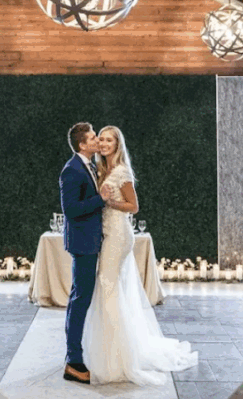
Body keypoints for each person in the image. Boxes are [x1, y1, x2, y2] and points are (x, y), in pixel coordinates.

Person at [82, 125, 198, 385]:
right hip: (106, 234)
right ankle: (111, 349)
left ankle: (120, 358)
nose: (104, 143)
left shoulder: (122, 172)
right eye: (101, 139)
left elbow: (134, 206)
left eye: (109, 140)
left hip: (119, 235)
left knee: (107, 283)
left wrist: (109, 203)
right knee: (110, 287)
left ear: (117, 144)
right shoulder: (101, 170)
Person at [59, 121, 111, 385]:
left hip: (89, 241)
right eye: (93, 138)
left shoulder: (88, 166)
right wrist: (100, 198)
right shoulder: (72, 170)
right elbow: (70, 210)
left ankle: (73, 355)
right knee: (81, 300)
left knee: (78, 298)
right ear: (82, 144)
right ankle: (74, 362)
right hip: (83, 243)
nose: (97, 141)